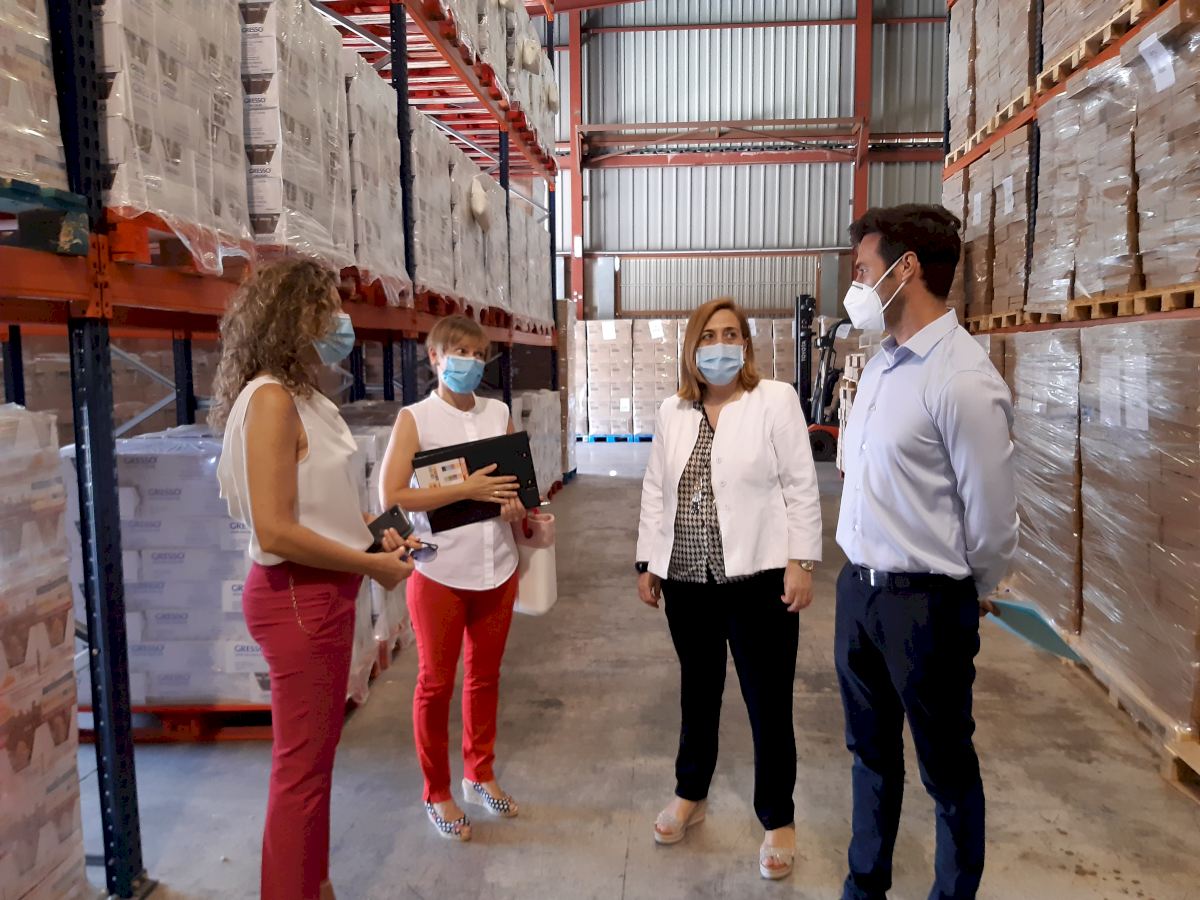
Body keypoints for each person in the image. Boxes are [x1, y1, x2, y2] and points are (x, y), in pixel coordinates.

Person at [210, 259, 417, 900]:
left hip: (323, 590)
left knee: (316, 762)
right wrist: (370, 564)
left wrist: (373, 530)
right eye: (326, 306)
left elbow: (317, 505)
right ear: (292, 315)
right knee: (301, 770)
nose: (340, 320)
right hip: (299, 595)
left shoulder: (306, 398)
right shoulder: (271, 400)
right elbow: (275, 530)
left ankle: (313, 881)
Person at [834, 205, 1019, 900]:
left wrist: (969, 591)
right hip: (858, 594)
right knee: (870, 757)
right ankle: (865, 887)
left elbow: (992, 519)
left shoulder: (961, 378)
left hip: (925, 604)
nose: (855, 286)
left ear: (905, 268)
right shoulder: (882, 365)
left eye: (863, 270)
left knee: (946, 771)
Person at [635, 297, 823, 881]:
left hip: (757, 579)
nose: (721, 345)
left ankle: (778, 818)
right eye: (709, 336)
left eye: (731, 334)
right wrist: (648, 561)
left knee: (768, 702)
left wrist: (801, 561)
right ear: (692, 348)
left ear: (745, 344)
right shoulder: (673, 411)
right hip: (687, 581)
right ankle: (690, 792)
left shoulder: (775, 400)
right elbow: (656, 489)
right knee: (698, 692)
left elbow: (800, 483)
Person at [379, 315, 529, 842]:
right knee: (436, 684)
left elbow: (516, 485)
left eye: (477, 354)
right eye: (458, 352)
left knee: (485, 679)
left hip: (497, 567)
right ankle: (436, 790)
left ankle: (479, 773)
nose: (469, 362)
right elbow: (394, 495)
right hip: (440, 571)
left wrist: (516, 507)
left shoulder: (498, 413)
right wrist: (467, 488)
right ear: (435, 357)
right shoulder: (415, 419)